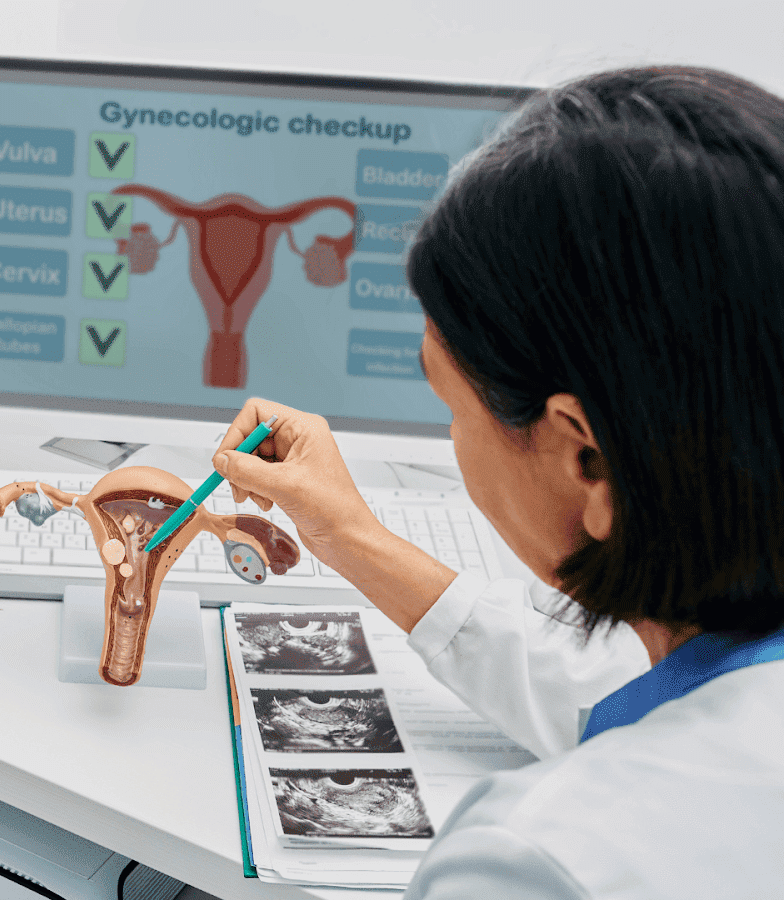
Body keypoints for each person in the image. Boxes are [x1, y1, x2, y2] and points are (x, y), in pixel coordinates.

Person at [212, 65, 784, 898]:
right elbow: (622, 699)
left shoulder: (533, 863)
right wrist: (355, 540)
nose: (454, 437)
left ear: (583, 458)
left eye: (451, 404)